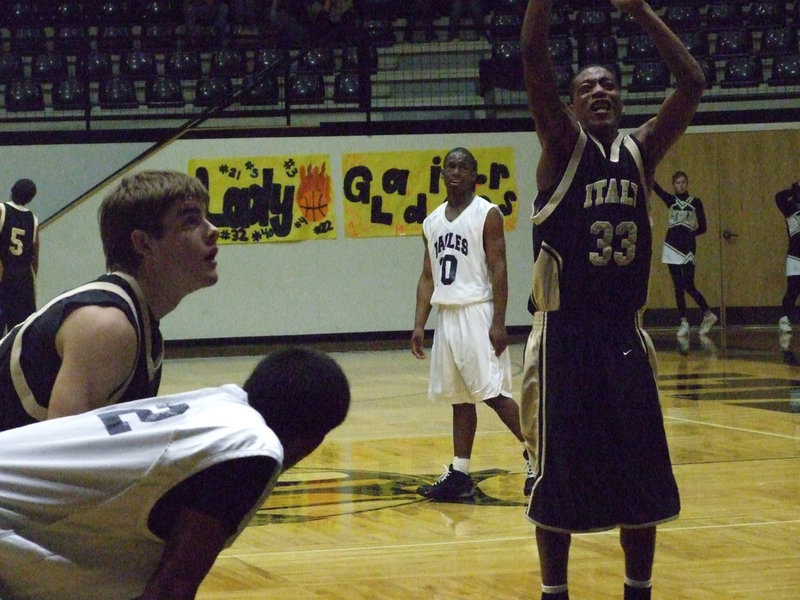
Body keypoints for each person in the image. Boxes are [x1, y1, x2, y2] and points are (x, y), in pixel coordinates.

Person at [519, 0, 705, 598]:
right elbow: (532, 58)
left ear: (620, 98)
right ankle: (555, 593)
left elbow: (693, 82)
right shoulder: (559, 145)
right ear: (572, 103)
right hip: (564, 338)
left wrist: (640, 11)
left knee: (641, 477)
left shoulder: (641, 150)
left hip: (624, 336)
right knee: (558, 482)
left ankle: (638, 591)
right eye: (587, 87)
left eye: (608, 84)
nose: (599, 91)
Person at [0, 345, 350, 600]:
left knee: (123, 579)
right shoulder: (251, 445)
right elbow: (174, 586)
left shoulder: (219, 405)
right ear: (314, 440)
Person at [0, 170, 220, 432]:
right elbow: (64, 461)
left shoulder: (139, 320)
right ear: (144, 243)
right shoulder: (107, 325)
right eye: (192, 221)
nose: (214, 230)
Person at [411, 146, 536, 501]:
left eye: (462, 167)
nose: (455, 171)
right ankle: (461, 474)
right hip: (447, 316)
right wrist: (420, 323)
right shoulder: (431, 221)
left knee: (494, 393)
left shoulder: (487, 214)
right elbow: (426, 276)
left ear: (473, 175)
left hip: (478, 312)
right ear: (442, 174)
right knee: (459, 398)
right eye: (450, 166)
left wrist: (499, 320)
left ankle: (539, 458)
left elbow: (499, 268)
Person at [653, 171, 717, 337]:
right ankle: (683, 321)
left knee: (689, 284)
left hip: (688, 248)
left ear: (687, 184)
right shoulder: (671, 200)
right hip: (671, 247)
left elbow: (703, 227)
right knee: (678, 286)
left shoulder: (695, 202)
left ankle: (708, 314)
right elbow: (655, 188)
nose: (680, 185)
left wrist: (688, 234)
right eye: (677, 183)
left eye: (683, 182)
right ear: (673, 185)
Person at [0, 178, 39, 335]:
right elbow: (35, 258)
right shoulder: (33, 220)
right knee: (20, 334)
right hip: (24, 280)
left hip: (4, 277)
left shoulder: (2, 209)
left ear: (12, 190)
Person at [775, 182, 800, 334]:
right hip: (795, 255)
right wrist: (793, 189)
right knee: (793, 289)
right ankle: (784, 317)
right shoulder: (789, 207)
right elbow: (778, 197)